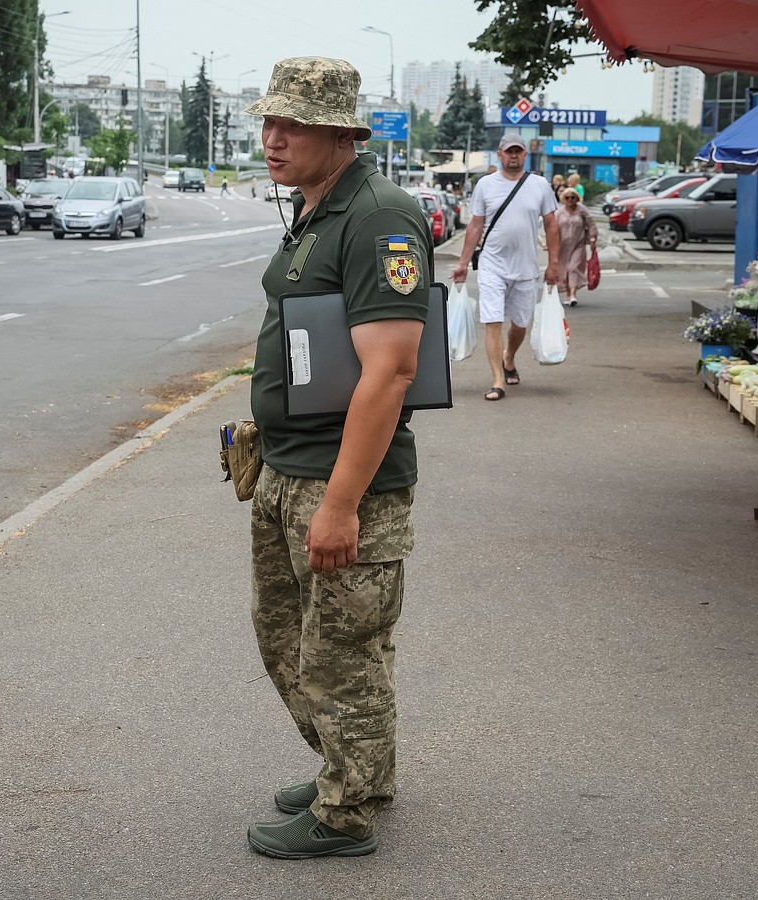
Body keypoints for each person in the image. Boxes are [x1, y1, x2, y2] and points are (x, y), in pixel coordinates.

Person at [242, 56, 431, 860]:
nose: (272, 138)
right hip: (289, 467)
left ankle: (347, 809)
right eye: (269, 121)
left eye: (292, 125)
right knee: (286, 636)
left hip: (341, 481)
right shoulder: (315, 207)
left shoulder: (380, 216)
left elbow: (390, 370)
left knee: (339, 652)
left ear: (341, 133)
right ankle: (349, 764)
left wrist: (343, 504)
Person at [450, 132, 558, 401]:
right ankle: (498, 378)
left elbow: (552, 225)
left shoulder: (540, 185)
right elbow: (475, 225)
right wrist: (463, 262)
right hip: (492, 264)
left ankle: (509, 356)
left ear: (525, 154)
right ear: (499, 154)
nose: (513, 155)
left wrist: (554, 263)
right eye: (508, 151)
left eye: (518, 151)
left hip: (526, 267)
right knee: (492, 320)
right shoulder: (486, 185)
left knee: (520, 323)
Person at [556, 187, 597, 307]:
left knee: (573, 268)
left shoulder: (582, 210)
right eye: (567, 197)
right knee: (564, 270)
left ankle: (573, 295)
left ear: (576, 198)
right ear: (564, 199)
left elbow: (591, 224)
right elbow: (552, 228)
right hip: (562, 246)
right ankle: (568, 294)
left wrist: (593, 238)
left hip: (578, 244)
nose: (570, 200)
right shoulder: (559, 212)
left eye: (572, 197)